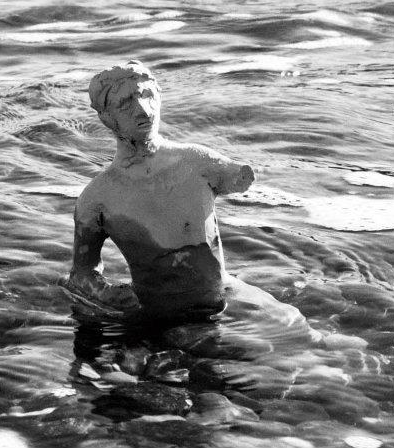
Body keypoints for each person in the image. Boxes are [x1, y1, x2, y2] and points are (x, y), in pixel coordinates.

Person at [62, 60, 313, 336]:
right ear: (107, 117)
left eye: (147, 95)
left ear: (159, 95)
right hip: (169, 315)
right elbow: (81, 275)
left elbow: (240, 177)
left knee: (301, 330)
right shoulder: (97, 199)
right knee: (249, 357)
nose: (143, 110)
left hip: (224, 289)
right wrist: (116, 298)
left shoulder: (198, 163)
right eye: (125, 104)